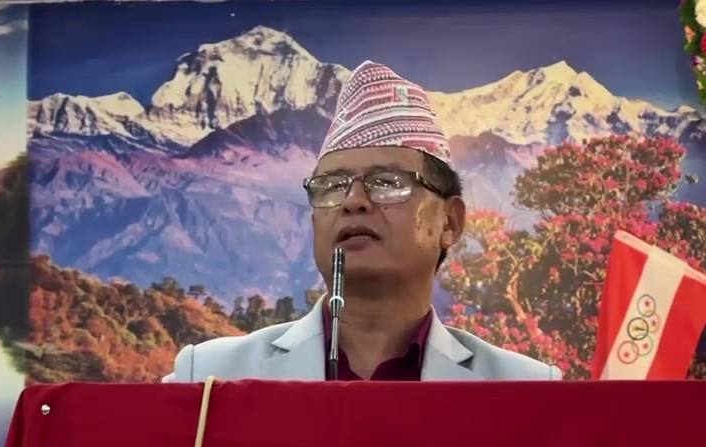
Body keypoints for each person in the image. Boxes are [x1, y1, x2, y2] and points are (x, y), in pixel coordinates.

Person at [163, 60, 562, 382]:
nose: (353, 202)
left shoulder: (525, 389)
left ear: (450, 222)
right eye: (331, 186)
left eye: (386, 183)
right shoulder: (210, 378)